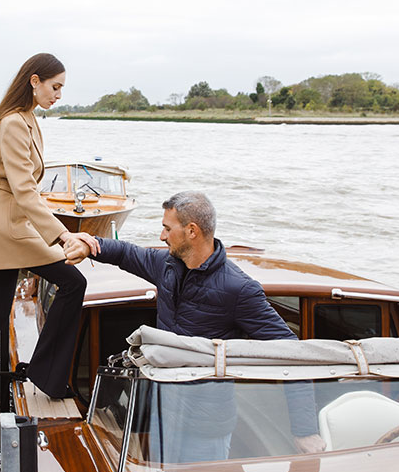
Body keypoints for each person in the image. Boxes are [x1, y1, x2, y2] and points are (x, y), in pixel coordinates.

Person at [65, 191, 325, 457]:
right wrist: (91, 245)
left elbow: (291, 354)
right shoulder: (167, 266)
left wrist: (305, 430)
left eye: (167, 228)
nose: (162, 236)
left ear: (192, 231)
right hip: (162, 409)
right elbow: (127, 254)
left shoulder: (239, 289)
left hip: (205, 428)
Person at [0, 53, 100, 427]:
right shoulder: (15, 124)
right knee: (71, 281)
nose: (59, 95)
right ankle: (46, 375)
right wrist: (63, 233)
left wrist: (54, 228)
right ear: (34, 81)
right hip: (8, 225)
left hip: (11, 221)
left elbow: (27, 192)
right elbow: (24, 191)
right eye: (55, 86)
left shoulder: (27, 120)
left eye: (61, 88)